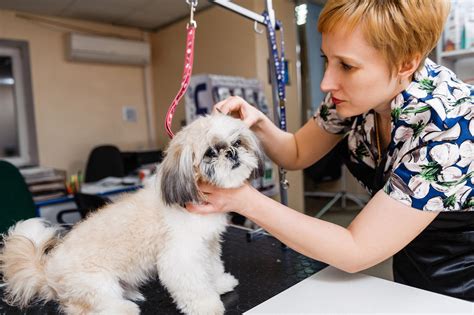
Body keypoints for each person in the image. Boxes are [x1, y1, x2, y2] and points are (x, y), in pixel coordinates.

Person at [186, 0, 474, 301]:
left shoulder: (452, 124)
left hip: (462, 280)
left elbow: (356, 249)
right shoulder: (354, 96)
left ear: (405, 63)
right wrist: (257, 123)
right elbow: (296, 152)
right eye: (327, 60)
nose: (327, 82)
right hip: (407, 266)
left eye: (347, 66)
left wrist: (243, 201)